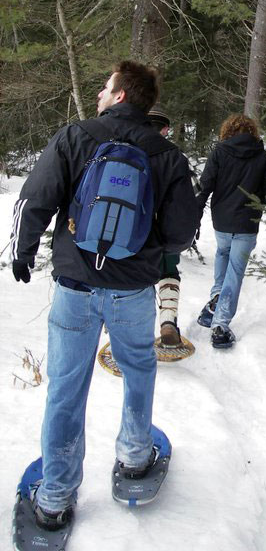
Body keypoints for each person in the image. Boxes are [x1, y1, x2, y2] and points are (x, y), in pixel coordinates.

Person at [10, 61, 198, 530]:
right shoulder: (168, 155)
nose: (98, 91)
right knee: (137, 368)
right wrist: (146, 247)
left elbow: (35, 198)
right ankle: (135, 458)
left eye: (105, 86)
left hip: (74, 286)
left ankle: (54, 498)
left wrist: (24, 251)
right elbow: (181, 233)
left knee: (66, 389)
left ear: (119, 95)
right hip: (133, 290)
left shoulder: (76, 137)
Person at [196, 113, 266, 348]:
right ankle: (220, 324)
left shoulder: (219, 152)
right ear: (252, 132)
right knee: (236, 269)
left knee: (223, 255)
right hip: (247, 223)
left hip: (222, 220)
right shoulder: (262, 157)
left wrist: (196, 211)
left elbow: (205, 185)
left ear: (227, 132)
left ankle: (216, 298)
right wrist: (256, 201)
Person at [147, 103, 201, 348]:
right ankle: (168, 322)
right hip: (168, 233)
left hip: (135, 234)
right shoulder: (176, 157)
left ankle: (129, 335)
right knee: (169, 273)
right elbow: (195, 192)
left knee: (134, 281)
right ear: (166, 130)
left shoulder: (129, 153)